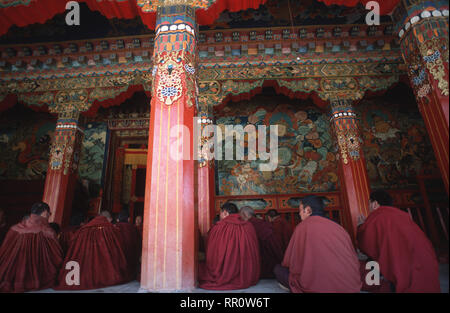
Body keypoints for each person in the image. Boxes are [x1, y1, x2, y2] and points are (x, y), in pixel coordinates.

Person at [357, 190, 440, 293]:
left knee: (367, 264)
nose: (369, 207)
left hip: (403, 270)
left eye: (369, 203)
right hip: (427, 266)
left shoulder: (377, 216)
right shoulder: (403, 216)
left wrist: (361, 226)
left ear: (374, 204)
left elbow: (365, 245)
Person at [274, 195, 361, 293]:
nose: (299, 214)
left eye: (300, 210)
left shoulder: (303, 226)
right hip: (350, 284)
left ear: (308, 210)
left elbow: (288, 262)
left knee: (279, 269)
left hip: (318, 286)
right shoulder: (339, 228)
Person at [55, 210, 130, 290]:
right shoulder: (111, 230)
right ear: (110, 219)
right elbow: (117, 248)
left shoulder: (83, 229)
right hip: (105, 267)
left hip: (85, 262)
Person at [0, 202, 63, 292]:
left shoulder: (14, 229)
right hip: (39, 280)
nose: (49, 216)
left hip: (10, 278)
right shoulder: (47, 232)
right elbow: (57, 257)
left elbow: (3, 252)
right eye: (49, 213)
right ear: (45, 213)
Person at [198, 202, 260, 290]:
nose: (220, 216)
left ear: (225, 212)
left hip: (222, 272)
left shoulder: (218, 227)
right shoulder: (248, 226)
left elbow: (212, 253)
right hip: (246, 274)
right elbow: (254, 251)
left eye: (220, 213)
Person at [240, 206, 283, 278]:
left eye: (240, 216)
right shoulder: (264, 224)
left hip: (254, 266)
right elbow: (274, 244)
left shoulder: (247, 226)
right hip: (270, 263)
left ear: (244, 215)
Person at [114, 210, 141, 280]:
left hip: (117, 261)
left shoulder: (114, 228)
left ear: (118, 219)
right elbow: (138, 244)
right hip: (131, 259)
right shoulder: (133, 228)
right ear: (129, 219)